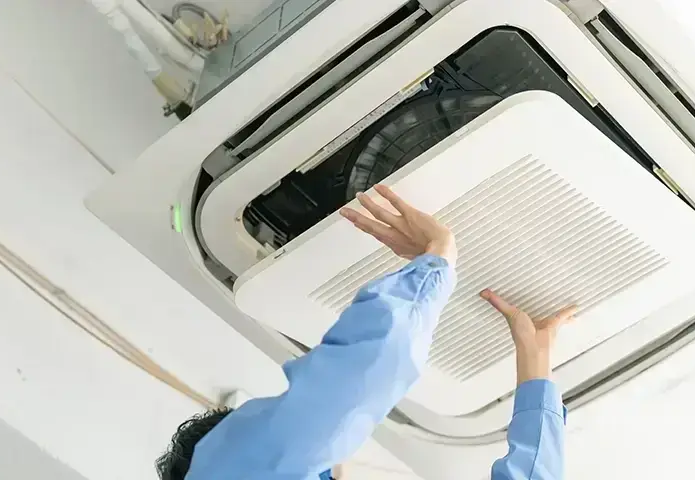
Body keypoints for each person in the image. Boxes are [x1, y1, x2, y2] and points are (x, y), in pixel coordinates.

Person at [156, 185, 575, 480]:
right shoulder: (228, 469)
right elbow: (358, 381)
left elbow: (337, 406)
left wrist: (535, 368)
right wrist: (433, 266)